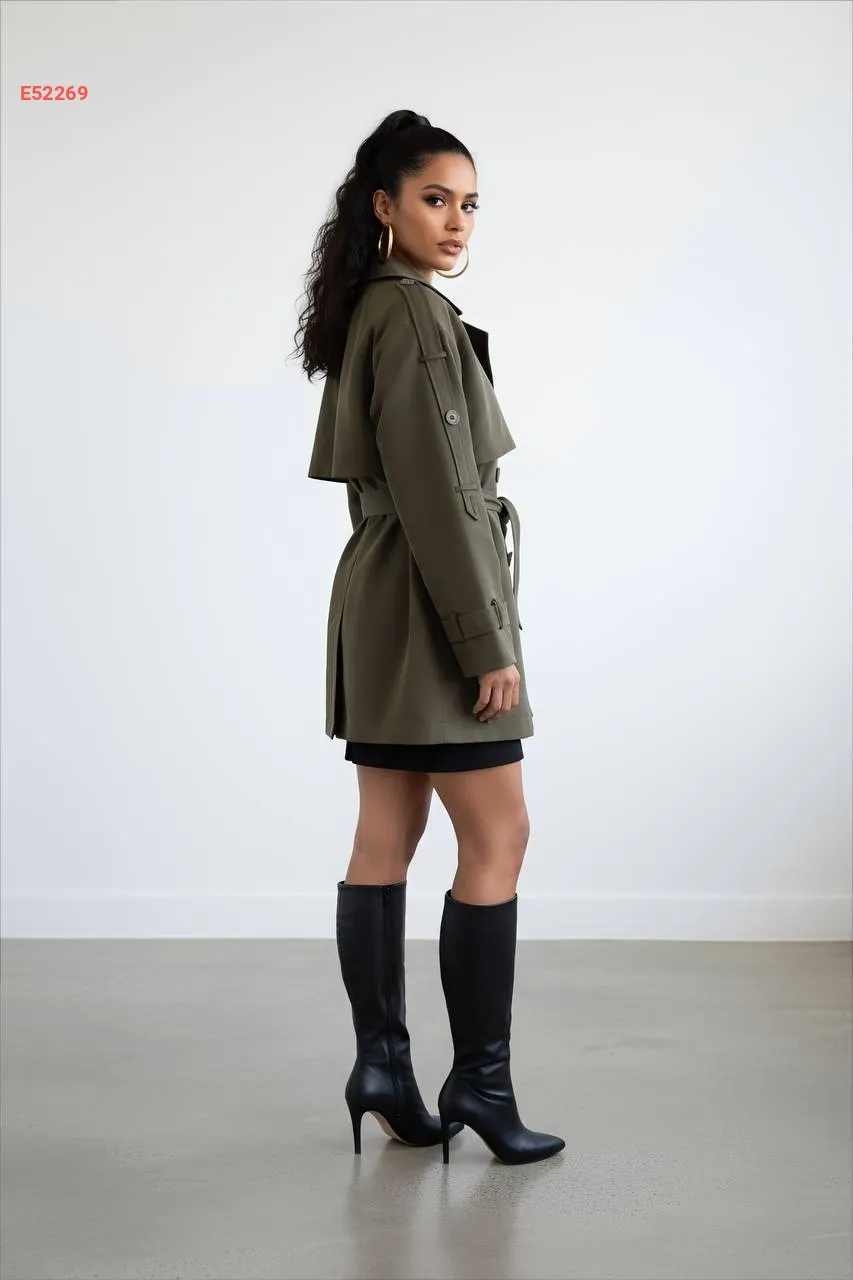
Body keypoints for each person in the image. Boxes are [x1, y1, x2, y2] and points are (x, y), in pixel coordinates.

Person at [293, 109, 565, 1167]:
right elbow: (445, 495)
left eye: (468, 204)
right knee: (500, 836)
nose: (455, 221)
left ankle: (382, 1069)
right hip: (428, 601)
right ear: (384, 206)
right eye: (435, 199)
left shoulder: (372, 307)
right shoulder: (409, 314)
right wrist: (484, 638)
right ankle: (480, 1086)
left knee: (385, 834)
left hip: (379, 599)